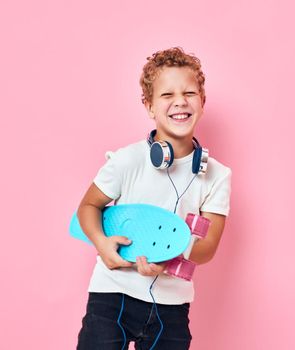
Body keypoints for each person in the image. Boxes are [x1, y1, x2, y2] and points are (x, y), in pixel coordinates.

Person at [76, 47, 231, 350]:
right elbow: (88, 207)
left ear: (202, 101)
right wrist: (102, 243)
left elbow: (208, 248)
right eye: (166, 95)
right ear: (148, 106)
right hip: (113, 294)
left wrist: (172, 253)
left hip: (171, 307)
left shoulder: (218, 175)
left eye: (189, 92)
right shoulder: (127, 160)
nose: (180, 101)